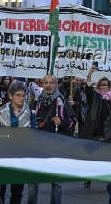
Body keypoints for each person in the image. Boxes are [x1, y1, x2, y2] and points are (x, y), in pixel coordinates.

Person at [30, 74, 76, 204]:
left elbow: (73, 121)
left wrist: (61, 122)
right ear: (42, 85)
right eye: (46, 83)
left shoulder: (62, 101)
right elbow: (29, 119)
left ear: (56, 85)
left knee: (56, 184)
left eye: (51, 83)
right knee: (33, 183)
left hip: (56, 147)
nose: (48, 85)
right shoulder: (36, 102)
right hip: (37, 148)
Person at [0, 81, 36, 204]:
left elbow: (34, 133)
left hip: (21, 157)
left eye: (23, 95)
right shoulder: (0, 112)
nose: (21, 98)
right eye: (18, 95)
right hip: (2, 157)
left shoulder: (30, 113)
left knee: (17, 193)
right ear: (10, 96)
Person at [79, 66, 111, 141]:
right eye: (100, 84)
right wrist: (89, 75)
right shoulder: (95, 97)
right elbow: (89, 89)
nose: (102, 87)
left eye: (104, 85)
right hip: (94, 132)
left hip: (107, 134)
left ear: (109, 87)